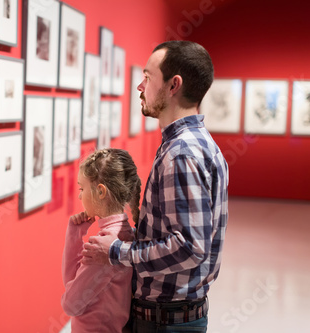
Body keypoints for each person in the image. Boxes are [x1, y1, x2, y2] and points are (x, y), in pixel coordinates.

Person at [81, 41, 229, 332]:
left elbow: (189, 247)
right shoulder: (196, 144)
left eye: (148, 77)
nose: (140, 86)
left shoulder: (182, 153)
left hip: (166, 321)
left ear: (174, 85)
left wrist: (117, 252)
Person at [61, 148, 142, 333]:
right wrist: (75, 234)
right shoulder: (125, 234)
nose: (80, 195)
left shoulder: (103, 247)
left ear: (100, 191)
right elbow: (74, 284)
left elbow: (71, 304)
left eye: (82, 188)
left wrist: (73, 236)